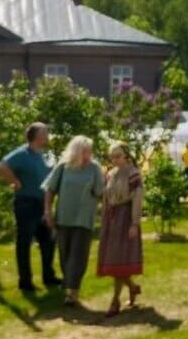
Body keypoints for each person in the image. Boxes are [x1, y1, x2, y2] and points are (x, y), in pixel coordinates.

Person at [0, 122, 61, 293]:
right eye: (45, 133)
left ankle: (49, 276)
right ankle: (25, 281)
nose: (48, 136)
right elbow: (1, 166)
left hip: (43, 204)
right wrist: (14, 181)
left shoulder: (44, 154)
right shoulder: (22, 153)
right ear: (36, 136)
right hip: (26, 204)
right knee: (24, 242)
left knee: (48, 241)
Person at [43, 135, 104, 306]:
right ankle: (69, 285)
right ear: (77, 151)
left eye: (90, 151)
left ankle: (73, 292)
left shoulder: (94, 168)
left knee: (78, 255)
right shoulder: (63, 167)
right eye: (86, 151)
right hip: (64, 217)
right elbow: (50, 189)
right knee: (65, 255)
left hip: (84, 218)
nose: (90, 154)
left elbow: (100, 192)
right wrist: (48, 211)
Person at [98, 141, 144, 317]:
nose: (115, 159)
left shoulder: (134, 175)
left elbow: (137, 199)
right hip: (112, 220)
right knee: (113, 261)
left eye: (118, 156)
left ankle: (114, 301)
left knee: (119, 262)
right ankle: (132, 287)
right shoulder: (109, 174)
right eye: (112, 156)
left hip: (126, 218)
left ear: (126, 155)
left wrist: (134, 223)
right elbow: (106, 199)